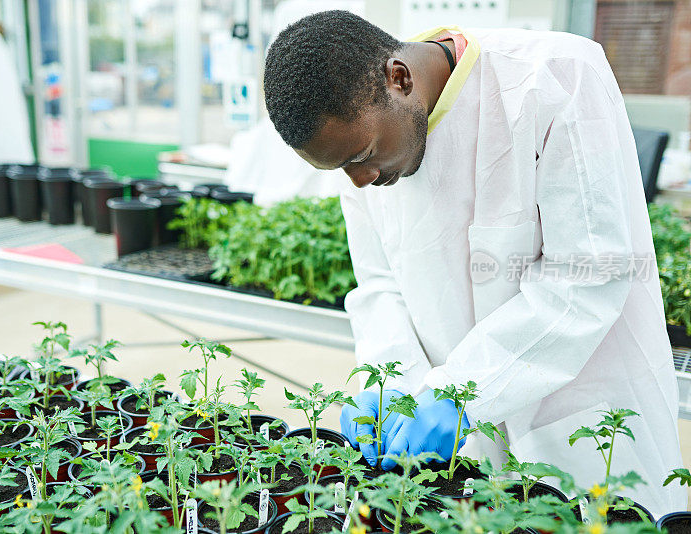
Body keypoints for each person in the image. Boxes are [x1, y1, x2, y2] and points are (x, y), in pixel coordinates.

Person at [262, 10, 686, 516]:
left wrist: (459, 395)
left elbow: (586, 277)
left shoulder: (554, 77)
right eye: (340, 169)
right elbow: (379, 284)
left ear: (399, 78)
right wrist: (388, 383)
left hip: (579, 419)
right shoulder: (362, 149)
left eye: (364, 155)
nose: (359, 180)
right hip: (463, 449)